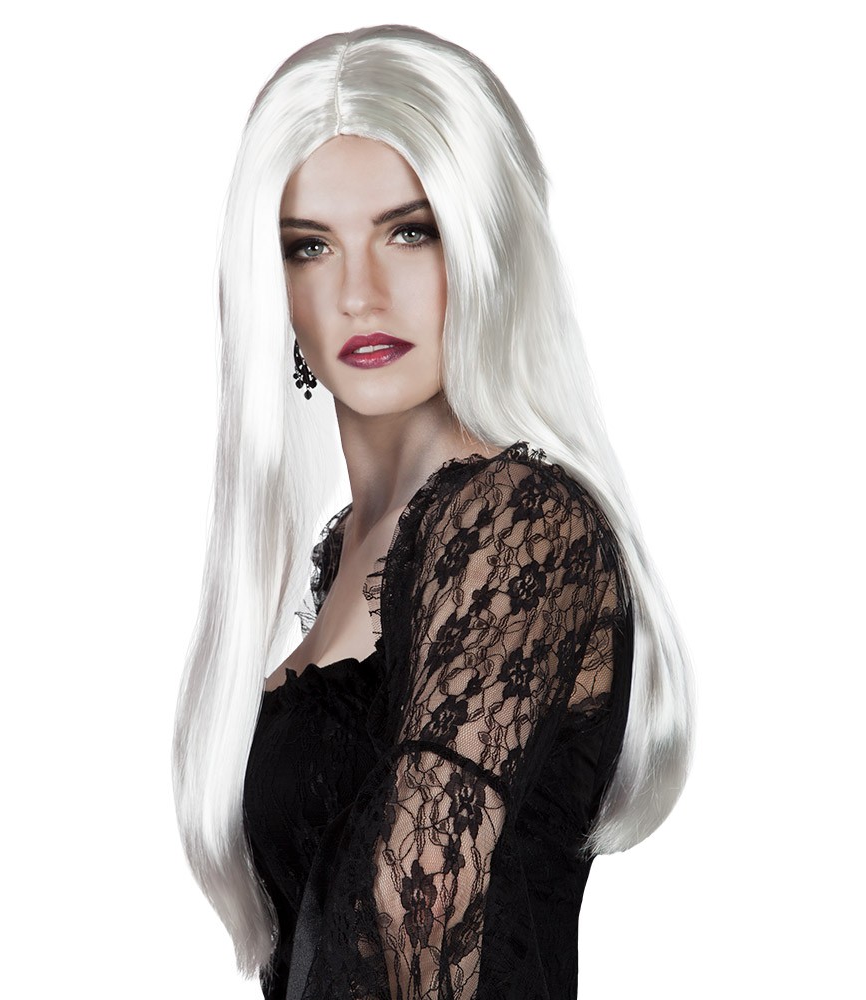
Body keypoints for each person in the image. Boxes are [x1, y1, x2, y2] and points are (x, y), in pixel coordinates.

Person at [172, 24, 694, 1000]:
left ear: (486, 245)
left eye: (410, 231)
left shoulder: (519, 521)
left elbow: (413, 911)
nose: (359, 293)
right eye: (310, 246)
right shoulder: (346, 552)